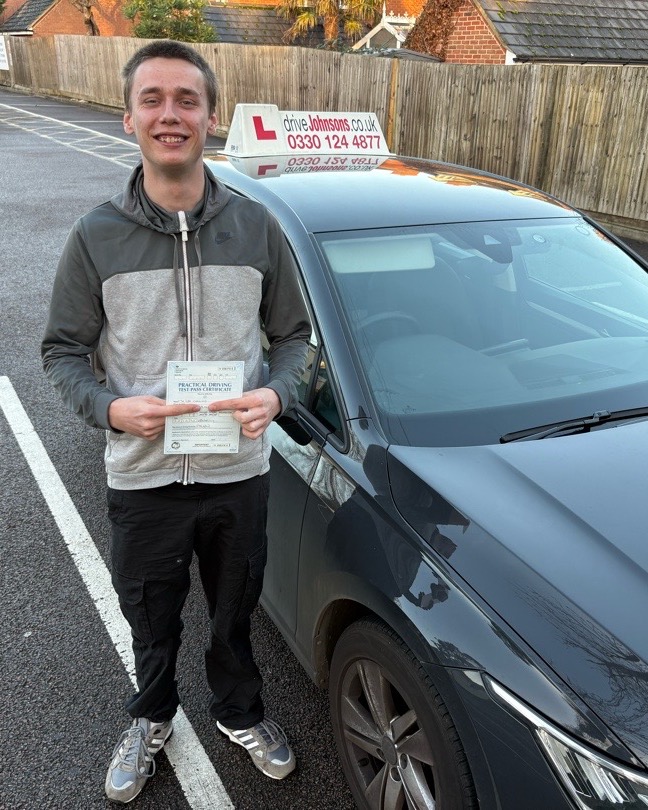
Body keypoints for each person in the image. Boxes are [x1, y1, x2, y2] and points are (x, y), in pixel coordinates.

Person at [42, 39, 311, 804]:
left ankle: (239, 711)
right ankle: (152, 716)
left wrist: (279, 396)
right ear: (128, 119)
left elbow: (295, 340)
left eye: (186, 100)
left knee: (235, 612)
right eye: (153, 100)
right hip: (144, 474)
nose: (170, 114)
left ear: (211, 117)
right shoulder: (96, 235)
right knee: (151, 616)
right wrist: (110, 408)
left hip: (237, 473)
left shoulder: (257, 228)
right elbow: (62, 350)